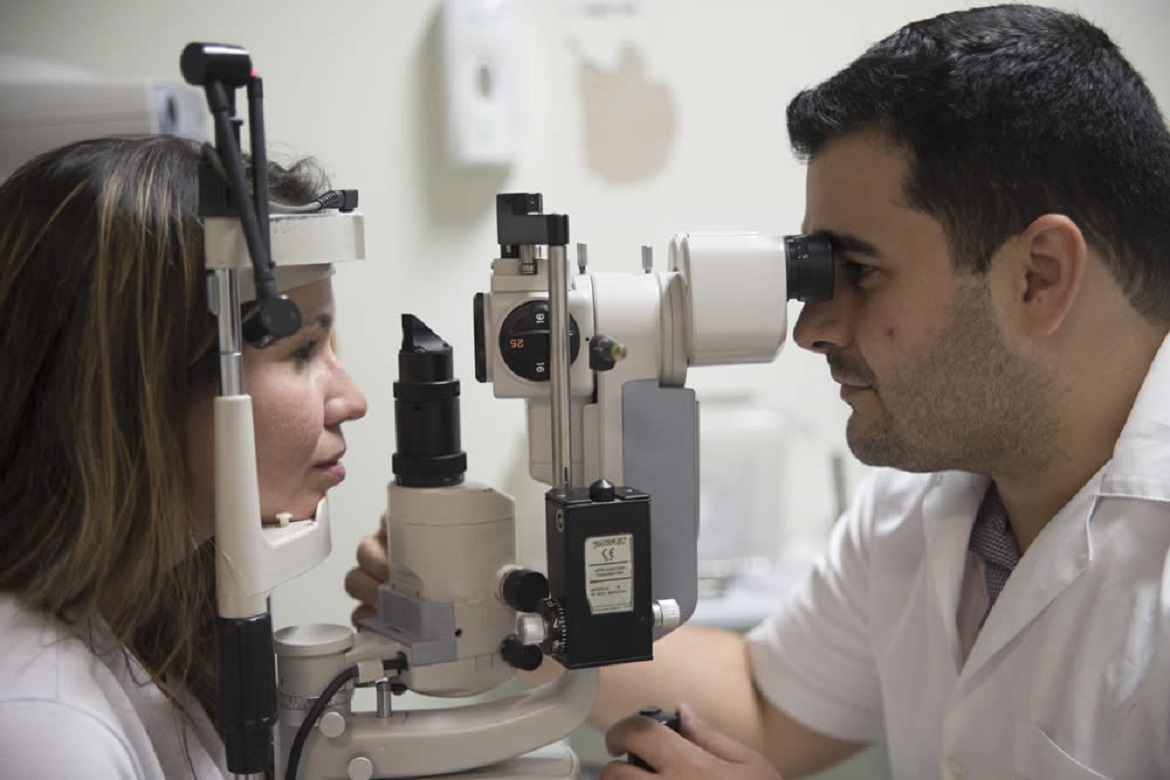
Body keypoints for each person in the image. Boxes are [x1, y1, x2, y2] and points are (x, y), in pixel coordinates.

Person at [345, 4, 1170, 778]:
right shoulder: (925, 509)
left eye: (859, 272)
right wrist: (494, 611)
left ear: (1039, 277)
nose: (811, 327)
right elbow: (767, 703)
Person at [0, 135, 368, 778]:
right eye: (302, 352)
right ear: (135, 387)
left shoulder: (147, 615)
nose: (352, 399)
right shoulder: (47, 729)